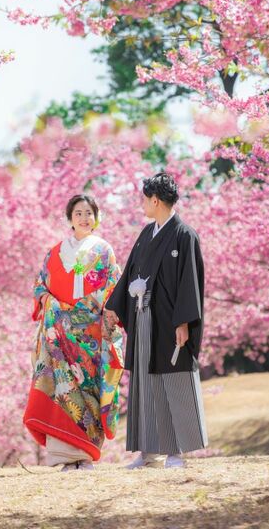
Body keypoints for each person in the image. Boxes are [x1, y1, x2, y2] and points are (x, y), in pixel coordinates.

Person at [106, 172, 208, 469]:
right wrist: (115, 305)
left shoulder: (184, 235)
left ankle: (177, 452)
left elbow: (190, 281)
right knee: (145, 383)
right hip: (143, 316)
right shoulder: (146, 234)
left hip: (170, 320)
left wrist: (184, 321)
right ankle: (148, 451)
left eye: (144, 199)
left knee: (175, 379)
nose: (141, 204)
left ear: (155, 200)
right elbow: (130, 272)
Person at [23, 194, 124, 471]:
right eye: (78, 213)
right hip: (59, 333)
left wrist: (82, 311)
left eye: (89, 213)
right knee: (62, 386)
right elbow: (40, 286)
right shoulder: (55, 252)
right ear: (69, 219)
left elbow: (112, 286)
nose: (84, 218)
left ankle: (86, 453)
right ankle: (65, 456)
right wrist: (53, 305)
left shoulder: (104, 251)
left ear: (97, 217)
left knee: (89, 389)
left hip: (89, 334)